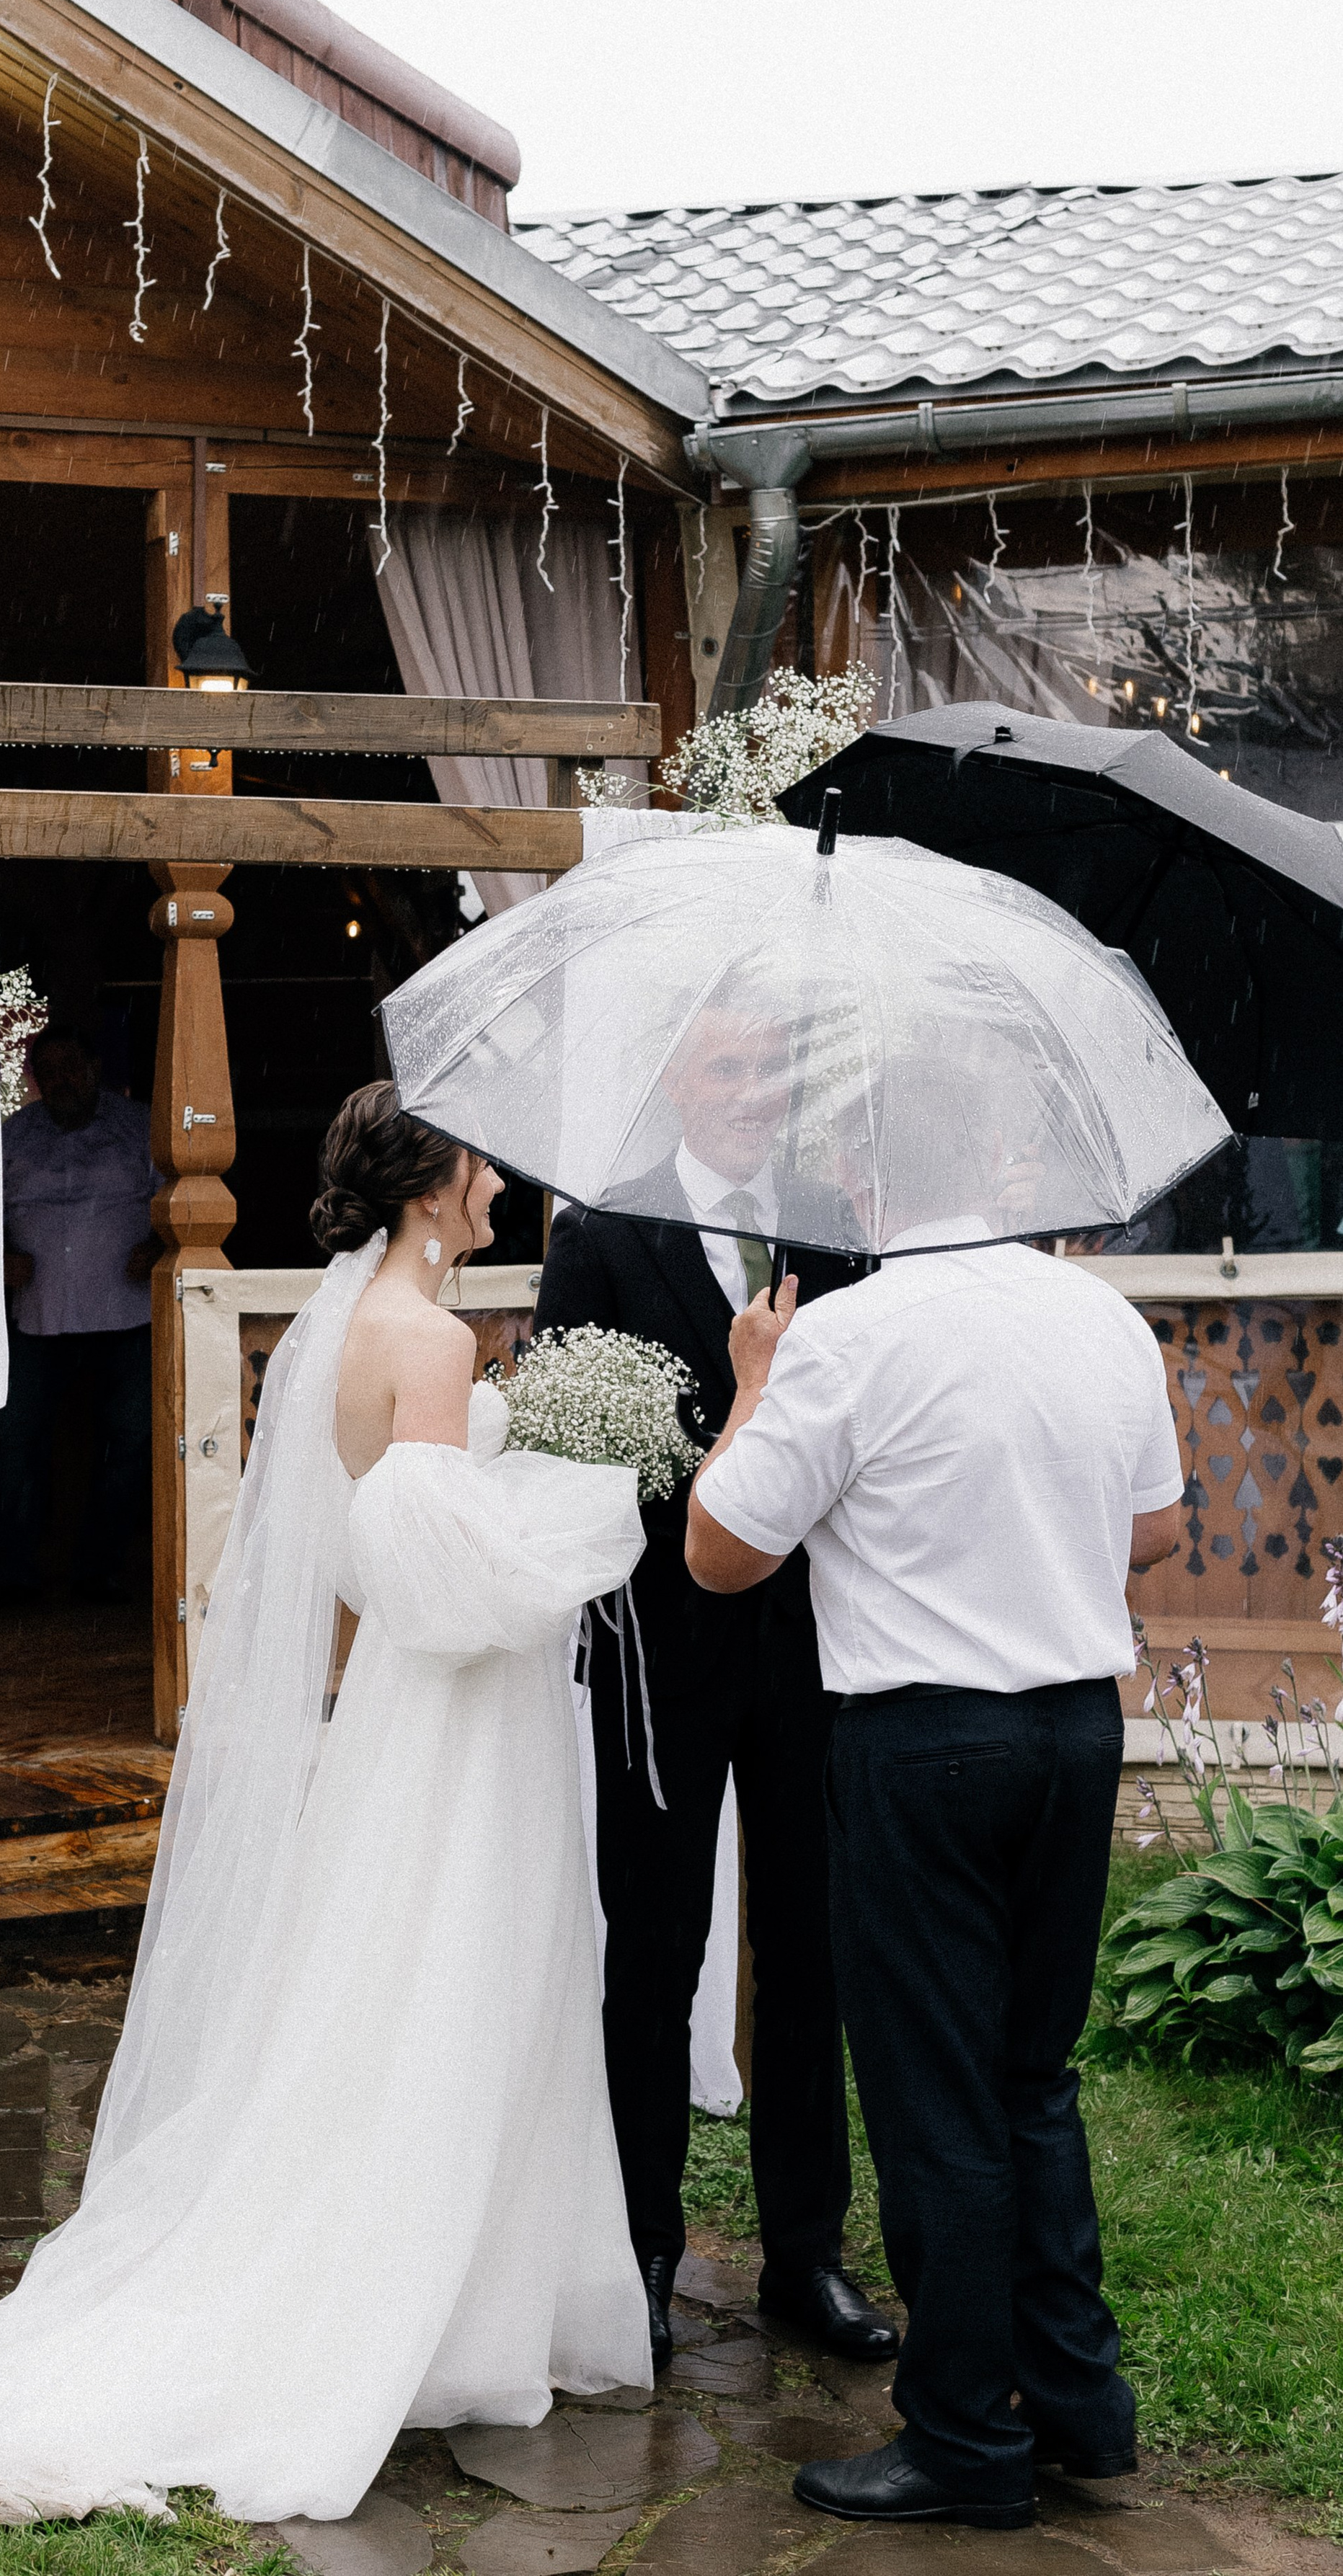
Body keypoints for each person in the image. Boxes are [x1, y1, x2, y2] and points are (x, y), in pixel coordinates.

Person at [0, 1081, 651, 2523]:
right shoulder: (424, 1337)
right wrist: (588, 1522)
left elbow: (387, 1538)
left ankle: (471, 2296)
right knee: (447, 1984)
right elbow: (435, 1571)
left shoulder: (357, 1322)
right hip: (451, 1721)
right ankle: (433, 2310)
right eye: (480, 1162)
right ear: (435, 1184)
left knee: (399, 1984)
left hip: (407, 1719)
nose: (499, 1183)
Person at [685, 1085, 1182, 2533]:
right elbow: (1153, 1528)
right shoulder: (1097, 1316)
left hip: (921, 1748)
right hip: (1074, 1733)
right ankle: (1076, 2405)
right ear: (994, 1165)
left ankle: (964, 2437)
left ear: (861, 1176)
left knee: (932, 2098)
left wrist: (753, 1386)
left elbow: (722, 1553)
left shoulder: (848, 1333)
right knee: (1030, 2078)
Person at [535, 1006, 897, 2371]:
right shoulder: (601, 1241)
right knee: (658, 1950)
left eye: (771, 1072)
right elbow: (572, 1443)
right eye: (727, 1070)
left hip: (818, 1643)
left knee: (811, 1946)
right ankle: (642, 2252)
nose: (753, 1094)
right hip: (661, 1653)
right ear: (675, 1080)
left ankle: (807, 2256)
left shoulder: (836, 1239)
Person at [0, 1023, 160, 1603]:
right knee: (16, 1444)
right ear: (35, 1078)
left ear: (94, 1069)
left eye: (71, 1066)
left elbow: (182, 1206)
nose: (61, 1079)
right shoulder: (12, 1137)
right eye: (49, 1069)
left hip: (127, 1313)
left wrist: (160, 1248)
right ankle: (13, 1578)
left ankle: (99, 1573)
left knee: (130, 1442)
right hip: (37, 1316)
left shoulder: (141, 1128)